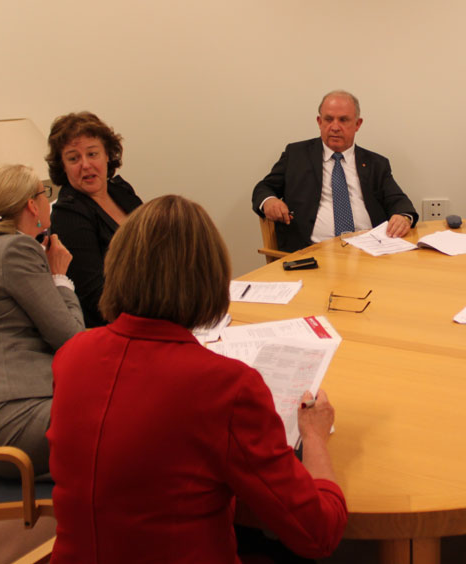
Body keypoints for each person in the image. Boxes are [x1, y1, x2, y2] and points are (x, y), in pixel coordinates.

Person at [47, 195, 347, 563]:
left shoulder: (72, 355)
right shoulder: (226, 385)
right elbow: (319, 533)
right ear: (211, 277)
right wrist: (314, 436)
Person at [0, 164, 84, 478]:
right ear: (31, 205)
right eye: (44, 194)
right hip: (14, 427)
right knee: (142, 417)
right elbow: (73, 341)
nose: (46, 201)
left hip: (10, 413)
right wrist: (60, 277)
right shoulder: (16, 249)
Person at [252, 90, 418, 253]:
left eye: (343, 120)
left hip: (368, 253)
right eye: (329, 119)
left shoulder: (376, 163)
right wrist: (269, 201)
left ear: (358, 124)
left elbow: (398, 200)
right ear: (319, 121)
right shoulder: (296, 155)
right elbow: (263, 188)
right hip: (311, 254)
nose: (335, 127)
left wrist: (403, 217)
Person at [48, 111, 142, 327]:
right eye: (73, 158)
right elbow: (98, 299)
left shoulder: (121, 190)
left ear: (107, 155)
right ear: (63, 166)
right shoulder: (68, 214)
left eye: (92, 154)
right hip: (116, 326)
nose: (86, 165)